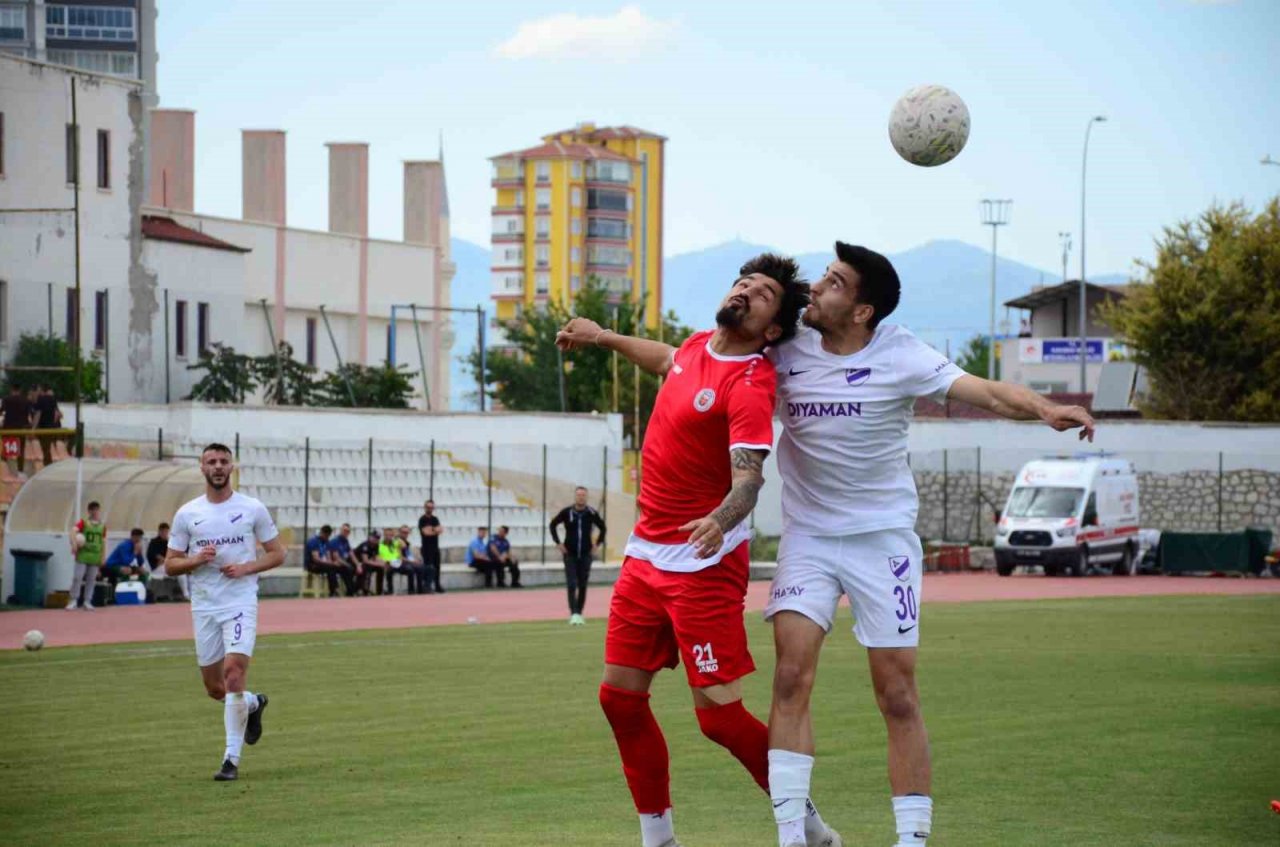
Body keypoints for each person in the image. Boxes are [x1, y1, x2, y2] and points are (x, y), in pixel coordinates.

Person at [763, 242, 1096, 847]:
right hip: (808, 536)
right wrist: (609, 340)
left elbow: (988, 393)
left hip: (882, 540)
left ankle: (912, 840)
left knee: (896, 693)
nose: (816, 288)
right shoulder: (786, 345)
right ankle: (792, 838)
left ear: (863, 311)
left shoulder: (902, 353)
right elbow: (700, 359)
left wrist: (1045, 408)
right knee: (789, 676)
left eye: (834, 283)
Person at [556, 254, 839, 847]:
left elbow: (750, 478)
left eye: (761, 294)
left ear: (772, 330)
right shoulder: (693, 349)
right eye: (743, 282)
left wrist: (718, 518)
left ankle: (805, 821)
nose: (745, 291)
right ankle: (658, 839)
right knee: (619, 701)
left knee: (718, 718)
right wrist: (602, 336)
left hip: (703, 565)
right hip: (645, 555)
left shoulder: (751, 381)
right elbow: (665, 360)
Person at [163, 442, 286, 781]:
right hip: (204, 606)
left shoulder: (252, 508)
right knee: (216, 689)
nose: (217, 466)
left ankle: (230, 761)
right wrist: (196, 559)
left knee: (233, 673)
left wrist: (247, 568)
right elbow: (170, 565)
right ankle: (252, 704)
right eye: (211, 462)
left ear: (231, 467)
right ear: (202, 468)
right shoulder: (188, 513)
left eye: (223, 461)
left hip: (240, 602)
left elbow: (278, 554)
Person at [550, 486, 606, 625]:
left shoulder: (591, 513)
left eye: (583, 495)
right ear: (575, 497)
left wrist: (597, 544)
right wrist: (558, 543)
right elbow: (552, 525)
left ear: (586, 497)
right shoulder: (567, 512)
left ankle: (579, 613)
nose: (581, 497)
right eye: (578, 495)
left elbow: (603, 528)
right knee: (571, 583)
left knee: (582, 584)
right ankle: (574, 613)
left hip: (586, 554)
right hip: (570, 554)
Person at [66, 500, 107, 610]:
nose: (95, 512)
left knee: (91, 579)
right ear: (89, 511)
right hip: (83, 554)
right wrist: (74, 543)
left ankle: (87, 601)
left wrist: (103, 556)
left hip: (95, 555)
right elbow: (73, 531)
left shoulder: (102, 526)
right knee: (77, 577)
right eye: (92, 510)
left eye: (97, 510)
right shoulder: (83, 523)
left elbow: (103, 542)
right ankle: (73, 600)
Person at [305, 525, 355, 598]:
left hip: (325, 564)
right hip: (313, 565)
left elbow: (328, 555)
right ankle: (333, 591)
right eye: (326, 535)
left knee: (344, 568)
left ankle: (350, 591)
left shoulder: (327, 541)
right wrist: (331, 563)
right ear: (321, 532)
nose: (327, 537)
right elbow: (316, 559)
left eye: (328, 536)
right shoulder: (313, 541)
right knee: (331, 568)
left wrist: (333, 563)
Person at [147, 521, 190, 601]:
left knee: (184, 572)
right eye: (163, 532)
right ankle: (186, 595)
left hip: (168, 565)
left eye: (166, 531)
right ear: (159, 531)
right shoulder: (154, 542)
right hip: (158, 568)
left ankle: (186, 594)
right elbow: (154, 555)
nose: (165, 533)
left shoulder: (170, 542)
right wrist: (165, 559)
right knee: (181, 573)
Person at [0, 383, 33, 476]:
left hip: (8, 428)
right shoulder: (26, 401)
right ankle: (20, 472)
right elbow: (29, 415)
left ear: (12, 389)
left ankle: (3, 470)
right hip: (21, 428)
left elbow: (1, 411)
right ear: (20, 390)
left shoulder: (6, 399)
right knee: (21, 451)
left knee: (4, 450)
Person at [417, 500, 445, 594]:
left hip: (435, 547)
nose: (430, 509)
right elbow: (426, 533)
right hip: (426, 548)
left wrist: (431, 529)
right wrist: (434, 530)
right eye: (428, 507)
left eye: (431, 507)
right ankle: (427, 586)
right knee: (428, 567)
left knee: (437, 567)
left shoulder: (435, 519)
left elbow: (440, 530)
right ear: (425, 508)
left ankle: (437, 585)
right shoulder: (422, 519)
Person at [33, 383, 62, 468]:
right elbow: (57, 414)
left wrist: (33, 428)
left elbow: (38, 414)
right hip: (51, 427)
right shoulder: (53, 399)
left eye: (39, 389)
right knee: (47, 448)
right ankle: (48, 465)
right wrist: (53, 423)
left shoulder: (40, 399)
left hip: (43, 427)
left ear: (42, 390)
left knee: (45, 448)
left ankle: (48, 466)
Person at [397, 525, 429, 594]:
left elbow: (409, 555)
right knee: (410, 569)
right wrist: (412, 561)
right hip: (397, 563)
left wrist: (415, 560)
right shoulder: (397, 541)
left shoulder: (407, 543)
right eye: (403, 532)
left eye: (407, 533)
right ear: (399, 532)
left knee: (421, 567)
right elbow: (399, 557)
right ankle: (411, 591)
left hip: (406, 562)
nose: (405, 534)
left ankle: (420, 590)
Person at [354, 529, 387, 595]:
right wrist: (378, 564)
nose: (376, 539)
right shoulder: (365, 545)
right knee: (367, 567)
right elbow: (365, 560)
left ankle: (379, 591)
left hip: (365, 564)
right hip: (357, 563)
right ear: (370, 537)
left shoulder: (376, 546)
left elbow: (376, 558)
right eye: (375, 537)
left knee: (380, 569)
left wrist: (382, 563)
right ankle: (364, 590)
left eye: (378, 538)